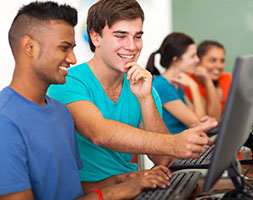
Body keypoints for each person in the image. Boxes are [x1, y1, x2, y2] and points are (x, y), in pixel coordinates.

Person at [0, 2, 172, 199]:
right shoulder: (5, 121)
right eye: (64, 48)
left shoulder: (59, 111)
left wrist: (126, 180)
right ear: (29, 47)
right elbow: (99, 133)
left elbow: (69, 190)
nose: (73, 59)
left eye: (137, 36)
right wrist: (117, 191)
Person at [48, 0, 217, 187]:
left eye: (137, 36)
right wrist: (173, 142)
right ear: (95, 37)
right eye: (121, 36)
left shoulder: (144, 87)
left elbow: (162, 159)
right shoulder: (68, 81)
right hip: (88, 193)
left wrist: (145, 98)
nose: (132, 46)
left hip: (133, 187)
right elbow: (98, 132)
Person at [146, 32, 213, 134]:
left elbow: (200, 119)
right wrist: (193, 86)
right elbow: (197, 123)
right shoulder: (162, 85)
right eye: (192, 56)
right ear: (176, 60)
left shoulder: (176, 85)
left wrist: (206, 122)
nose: (197, 60)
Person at [182, 41, 232, 120]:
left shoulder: (226, 78)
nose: (219, 66)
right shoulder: (188, 82)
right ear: (198, 62)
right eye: (212, 60)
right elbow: (215, 118)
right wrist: (207, 81)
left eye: (222, 61)